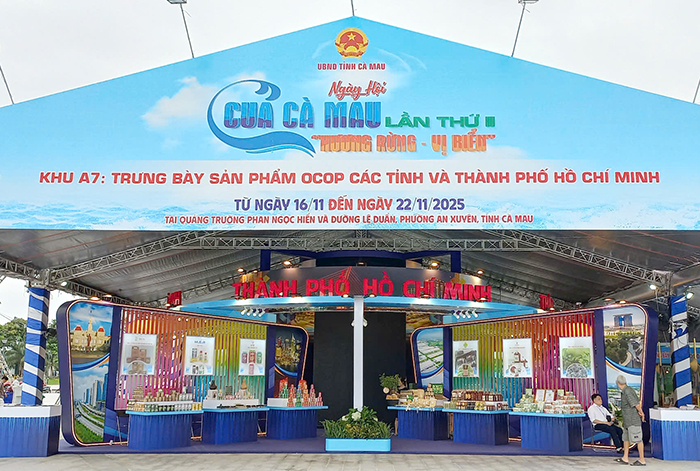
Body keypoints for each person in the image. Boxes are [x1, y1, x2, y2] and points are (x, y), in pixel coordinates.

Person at [615, 375, 646, 466]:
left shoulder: (627, 391)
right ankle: (625, 458)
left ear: (618, 383)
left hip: (632, 420)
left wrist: (642, 413)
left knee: (638, 439)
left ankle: (642, 460)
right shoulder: (625, 390)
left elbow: (636, 404)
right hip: (627, 421)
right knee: (626, 439)